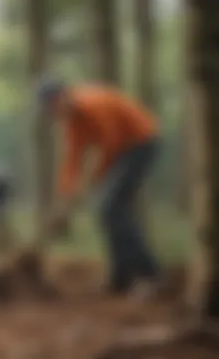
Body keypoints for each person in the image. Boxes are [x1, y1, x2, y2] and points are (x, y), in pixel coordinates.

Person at [40, 78, 161, 296]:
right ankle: (120, 278)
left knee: (110, 207)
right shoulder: (72, 122)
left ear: (60, 97)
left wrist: (95, 180)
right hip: (123, 151)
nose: (52, 114)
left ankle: (150, 275)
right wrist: (64, 199)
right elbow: (72, 161)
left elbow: (111, 144)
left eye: (51, 107)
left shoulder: (93, 104)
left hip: (141, 142)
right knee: (109, 210)